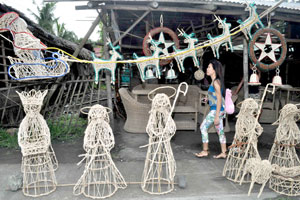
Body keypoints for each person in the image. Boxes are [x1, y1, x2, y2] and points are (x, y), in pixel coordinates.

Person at [195, 59, 227, 159]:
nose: (207, 69)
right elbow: (216, 97)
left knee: (203, 127)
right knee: (220, 131)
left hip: (216, 111)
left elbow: (219, 101)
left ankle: (205, 151)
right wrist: (208, 99)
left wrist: (216, 116)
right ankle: (224, 152)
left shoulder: (216, 83)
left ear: (215, 70)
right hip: (219, 110)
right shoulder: (215, 81)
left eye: (209, 67)